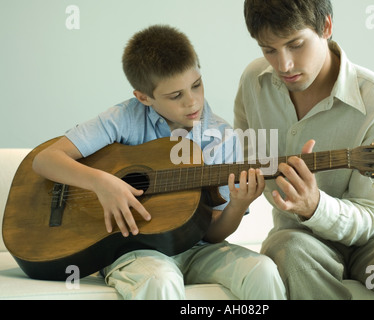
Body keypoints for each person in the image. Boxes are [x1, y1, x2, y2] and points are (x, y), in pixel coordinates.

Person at [32, 25, 286, 300]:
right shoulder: (124, 118)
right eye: (176, 95)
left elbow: (213, 234)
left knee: (263, 270)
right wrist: (102, 182)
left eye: (196, 85)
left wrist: (238, 204)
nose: (192, 102)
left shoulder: (222, 137)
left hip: (199, 249)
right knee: (160, 280)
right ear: (144, 97)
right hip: (135, 250)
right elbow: (46, 160)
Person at [234, 0, 374, 299]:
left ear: (326, 27)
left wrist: (316, 206)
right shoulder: (253, 84)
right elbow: (242, 160)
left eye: (295, 44)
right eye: (269, 49)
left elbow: (373, 212)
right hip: (298, 236)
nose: (284, 65)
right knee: (289, 252)